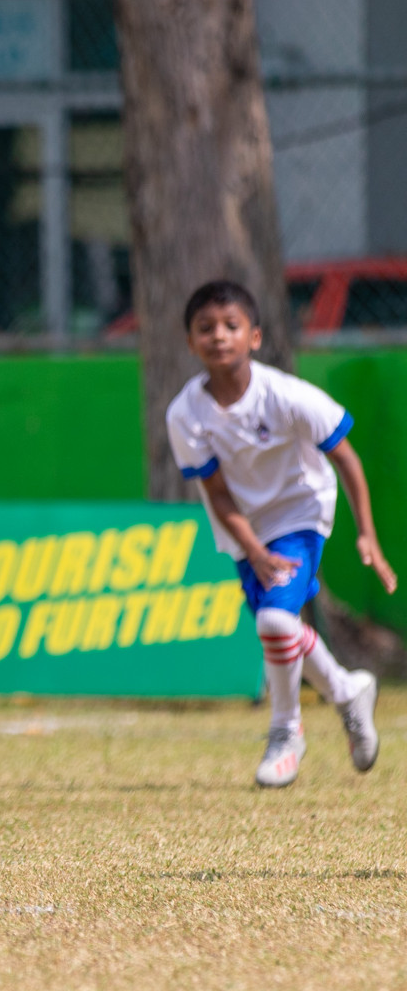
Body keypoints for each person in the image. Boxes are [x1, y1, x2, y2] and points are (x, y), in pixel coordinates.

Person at [166, 280, 394, 788]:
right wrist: (252, 549)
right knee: (280, 630)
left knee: (273, 620)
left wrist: (367, 535)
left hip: (302, 513)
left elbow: (347, 458)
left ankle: (285, 733)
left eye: (231, 326)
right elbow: (218, 494)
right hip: (248, 530)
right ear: (190, 342)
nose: (218, 336)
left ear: (255, 337)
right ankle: (346, 689)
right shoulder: (185, 414)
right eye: (205, 328)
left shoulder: (286, 395)